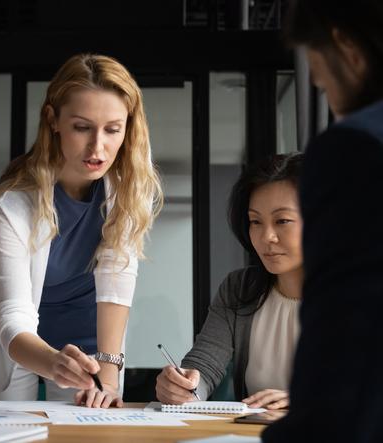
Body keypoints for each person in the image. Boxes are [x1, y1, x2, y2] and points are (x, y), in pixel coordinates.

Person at [0, 53, 162, 408]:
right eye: (82, 127)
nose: (97, 147)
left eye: (112, 129)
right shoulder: (12, 205)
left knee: (92, 428)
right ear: (53, 120)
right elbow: (13, 315)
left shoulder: (130, 191)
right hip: (18, 341)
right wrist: (54, 362)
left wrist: (108, 369)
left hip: (90, 337)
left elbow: (116, 287)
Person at [263, 1, 383, 441]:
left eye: (317, 68)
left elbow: (348, 332)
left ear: (346, 47)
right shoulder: (239, 289)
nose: (318, 82)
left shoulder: (354, 149)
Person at [156, 153, 304, 410]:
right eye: (255, 221)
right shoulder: (240, 288)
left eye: (282, 221)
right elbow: (205, 364)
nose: (266, 236)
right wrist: (185, 387)